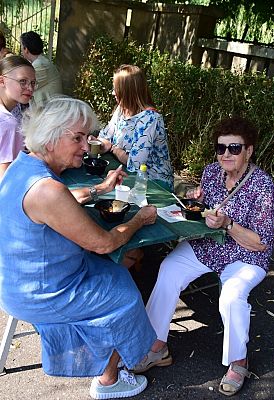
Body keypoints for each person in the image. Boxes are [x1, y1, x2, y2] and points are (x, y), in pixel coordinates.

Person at [0, 96, 159, 399]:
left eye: (87, 137)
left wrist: (100, 189)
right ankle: (109, 381)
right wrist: (139, 219)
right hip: (42, 292)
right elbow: (104, 243)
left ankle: (113, 353)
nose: (87, 146)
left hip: (19, 280)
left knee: (121, 268)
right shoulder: (48, 190)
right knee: (124, 293)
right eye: (78, 138)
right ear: (50, 137)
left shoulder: (23, 165)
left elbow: (61, 201)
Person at [133, 117, 274, 396]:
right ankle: (157, 346)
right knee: (169, 270)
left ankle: (238, 360)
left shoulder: (262, 185)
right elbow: (202, 207)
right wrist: (194, 199)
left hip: (245, 256)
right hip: (208, 246)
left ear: (249, 150)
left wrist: (227, 224)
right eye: (220, 148)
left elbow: (260, 243)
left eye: (234, 148)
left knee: (232, 297)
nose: (226, 154)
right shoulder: (212, 172)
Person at [96, 64, 173, 191]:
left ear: (127, 91)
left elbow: (135, 163)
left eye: (116, 89)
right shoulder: (121, 109)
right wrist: (97, 144)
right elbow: (105, 137)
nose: (113, 93)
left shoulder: (150, 118)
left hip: (154, 184)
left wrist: (114, 149)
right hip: (126, 174)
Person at [0, 55, 36, 180]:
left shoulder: (18, 108)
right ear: (2, 81)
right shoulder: (8, 123)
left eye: (33, 83)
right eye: (22, 81)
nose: (30, 88)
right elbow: (5, 178)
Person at [20, 31, 62, 108]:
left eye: (22, 47)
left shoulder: (40, 65)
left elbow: (22, 86)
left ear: (26, 49)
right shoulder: (41, 61)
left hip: (50, 111)